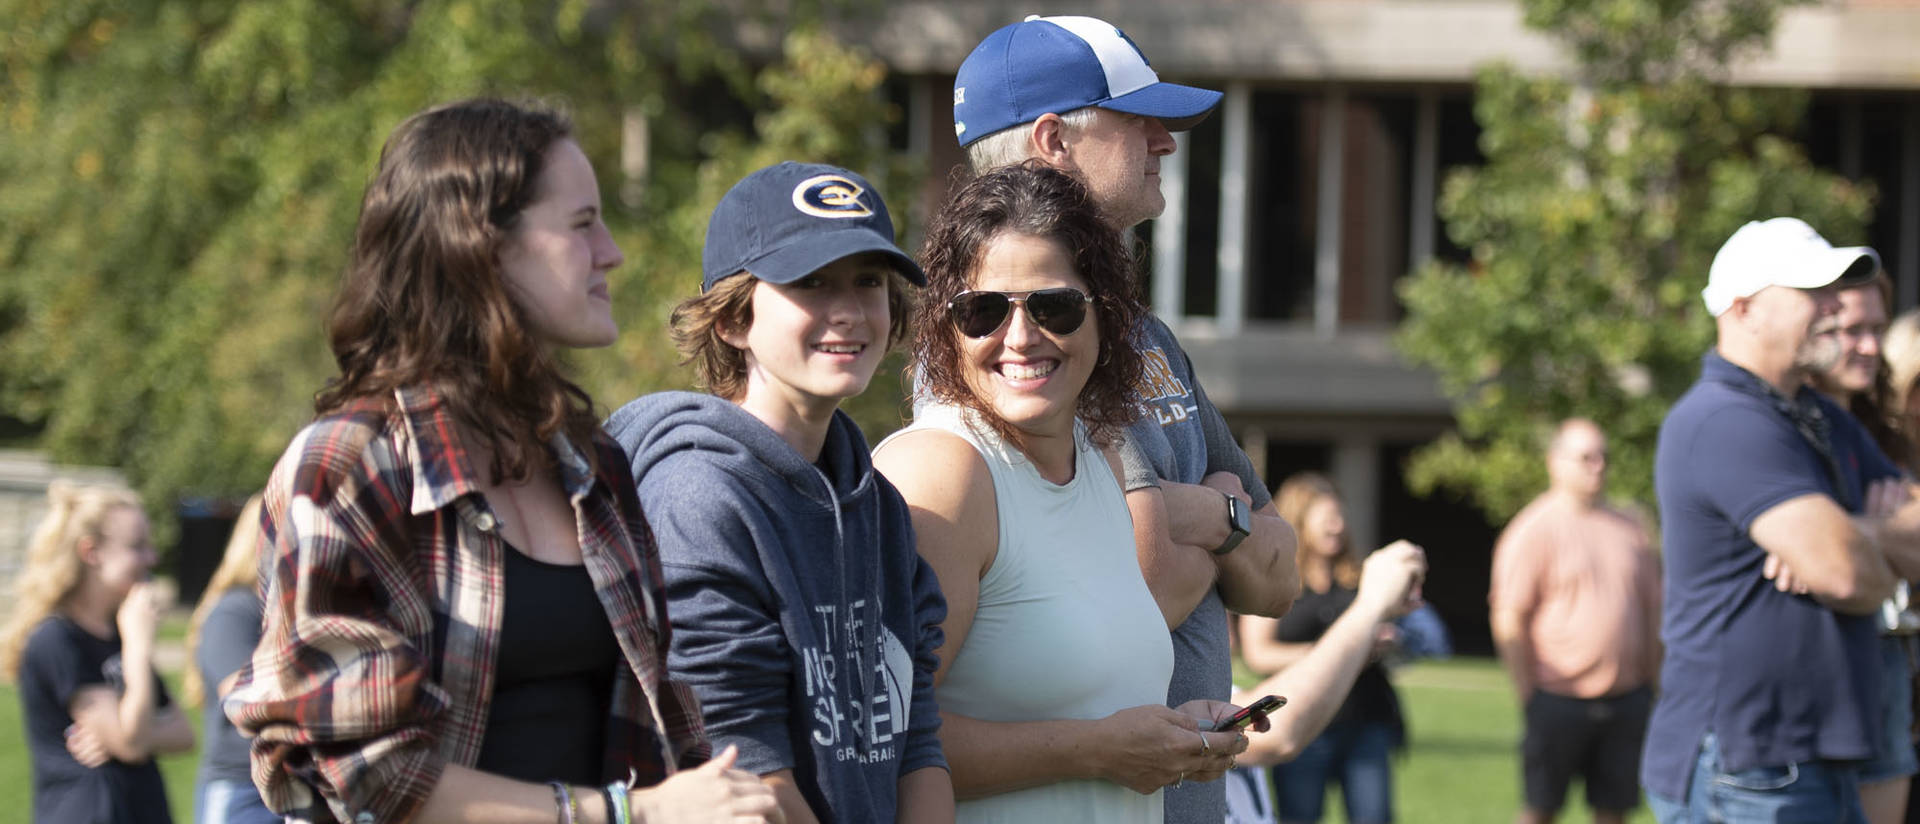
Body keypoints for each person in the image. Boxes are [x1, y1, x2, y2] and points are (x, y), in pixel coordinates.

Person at [223, 98, 780, 824]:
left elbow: (665, 734)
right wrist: (626, 815)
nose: (611, 252)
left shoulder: (591, 465)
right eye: (582, 224)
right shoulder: (350, 468)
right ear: (480, 247)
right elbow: (365, 775)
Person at [951, 17, 1300, 823]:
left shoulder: (1145, 337)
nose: (1166, 143)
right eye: (1137, 120)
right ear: (1051, 140)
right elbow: (1135, 587)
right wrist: (1224, 513)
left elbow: (1282, 582)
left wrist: (1199, 519)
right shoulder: (998, 356)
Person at [874, 162, 1250, 823]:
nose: (1019, 338)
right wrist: (1096, 751)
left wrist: (1172, 731)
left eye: (1054, 307)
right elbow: (885, 733)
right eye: (982, 310)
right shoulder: (945, 474)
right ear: (946, 326)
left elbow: (1080, 702)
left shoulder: (1105, 459)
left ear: (1105, 316)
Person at [605, 161, 953, 823]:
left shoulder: (876, 503)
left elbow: (916, 738)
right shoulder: (700, 498)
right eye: (811, 283)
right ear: (733, 319)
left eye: (869, 282)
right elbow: (741, 769)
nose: (848, 311)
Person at [1646, 216, 1920, 823]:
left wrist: (1855, 529)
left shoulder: (1815, 416)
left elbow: (1869, 548)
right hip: (1752, 765)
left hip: (1807, 755)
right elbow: (1845, 575)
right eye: (1811, 293)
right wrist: (1861, 551)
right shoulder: (1725, 419)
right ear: (1744, 310)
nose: (1832, 308)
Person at [1488, 419, 1661, 824]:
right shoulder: (1534, 529)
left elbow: (1652, 608)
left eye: (1603, 456)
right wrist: (1527, 692)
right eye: (1585, 457)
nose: (1597, 466)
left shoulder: (1631, 527)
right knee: (1541, 808)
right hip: (1557, 698)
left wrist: (1652, 680)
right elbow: (1509, 616)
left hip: (1627, 697)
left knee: (1615, 810)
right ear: (1555, 463)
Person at [0, 481, 195, 824]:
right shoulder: (57, 639)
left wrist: (133, 736)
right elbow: (132, 744)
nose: (152, 557)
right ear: (91, 552)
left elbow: (184, 734)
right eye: (137, 546)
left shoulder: (119, 631)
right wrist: (138, 647)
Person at [1807, 277, 1919, 824]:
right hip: (1803, 673)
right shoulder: (1776, 426)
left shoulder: (1881, 437)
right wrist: (1877, 528)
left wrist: (1853, 531)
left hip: (1888, 661)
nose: (1869, 346)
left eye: (1877, 328)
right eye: (1853, 329)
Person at [1238, 474, 1404, 824]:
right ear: (1300, 520)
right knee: (1301, 816)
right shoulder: (1276, 580)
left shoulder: (1356, 578)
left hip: (1364, 720)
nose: (1338, 526)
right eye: (1327, 518)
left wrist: (1382, 641)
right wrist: (1333, 651)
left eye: (1341, 517)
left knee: (1375, 817)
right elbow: (1258, 653)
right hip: (1304, 721)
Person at [181, 494, 275, 824]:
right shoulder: (236, 609)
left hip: (284, 786)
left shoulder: (277, 610)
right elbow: (242, 697)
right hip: (242, 791)